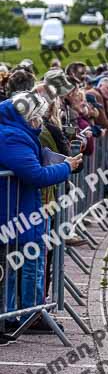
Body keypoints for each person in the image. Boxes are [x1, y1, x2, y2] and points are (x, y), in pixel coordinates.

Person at [0, 91, 82, 339]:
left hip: (17, 210)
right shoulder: (12, 136)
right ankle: (21, 316)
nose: (39, 122)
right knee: (15, 267)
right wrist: (66, 167)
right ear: (29, 116)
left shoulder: (13, 131)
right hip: (14, 213)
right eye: (38, 117)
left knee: (12, 266)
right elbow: (35, 175)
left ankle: (12, 316)